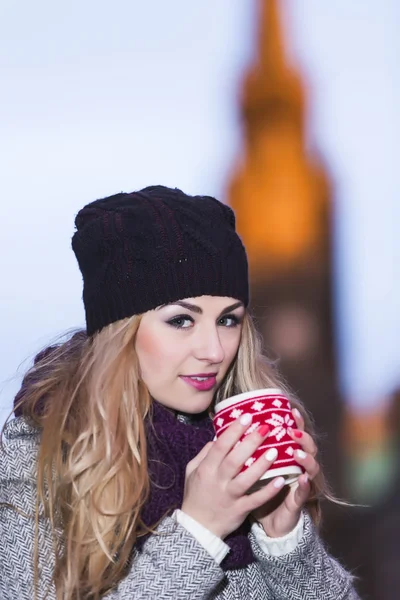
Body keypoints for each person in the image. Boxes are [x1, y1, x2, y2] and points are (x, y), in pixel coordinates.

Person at [0, 186, 360, 599]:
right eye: (181, 321)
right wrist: (199, 532)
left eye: (228, 320)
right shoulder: (41, 453)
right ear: (121, 331)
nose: (213, 351)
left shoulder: (240, 441)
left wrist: (284, 540)